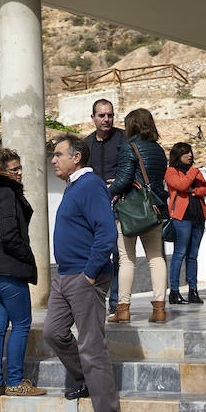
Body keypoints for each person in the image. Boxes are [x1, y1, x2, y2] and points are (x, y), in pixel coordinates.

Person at [44, 134, 124, 412]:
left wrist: (89, 274)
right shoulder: (74, 186)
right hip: (65, 275)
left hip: (83, 276)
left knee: (92, 347)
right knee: (53, 332)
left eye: (58, 154)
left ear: (77, 157)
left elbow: (106, 233)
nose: (53, 159)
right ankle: (85, 379)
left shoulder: (90, 185)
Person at [0, 148, 44, 398]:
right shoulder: (6, 193)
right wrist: (27, 257)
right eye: (15, 169)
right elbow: (9, 234)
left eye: (20, 168)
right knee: (22, 324)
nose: (20, 173)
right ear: (1, 171)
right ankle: (14, 381)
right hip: (7, 269)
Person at [107, 108, 168, 324]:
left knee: (126, 259)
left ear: (131, 125)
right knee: (156, 257)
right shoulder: (159, 150)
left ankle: (122, 309)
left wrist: (107, 190)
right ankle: (159, 309)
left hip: (130, 211)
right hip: (154, 209)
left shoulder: (128, 147)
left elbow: (124, 180)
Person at [84, 99, 124, 315]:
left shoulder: (124, 139)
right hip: (93, 209)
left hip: (119, 206)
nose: (106, 119)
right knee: (95, 254)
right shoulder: (85, 144)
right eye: (102, 115)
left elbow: (132, 168)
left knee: (119, 255)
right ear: (93, 118)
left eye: (110, 115)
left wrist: (117, 182)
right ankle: (94, 301)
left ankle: (116, 303)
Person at [164, 142, 206, 305]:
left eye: (190, 152)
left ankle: (193, 291)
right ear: (178, 155)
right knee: (180, 253)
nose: (190, 155)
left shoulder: (193, 171)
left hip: (198, 216)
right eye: (186, 152)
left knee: (193, 255)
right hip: (181, 217)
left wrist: (193, 191)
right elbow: (181, 185)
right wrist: (194, 171)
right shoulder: (171, 171)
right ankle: (174, 292)